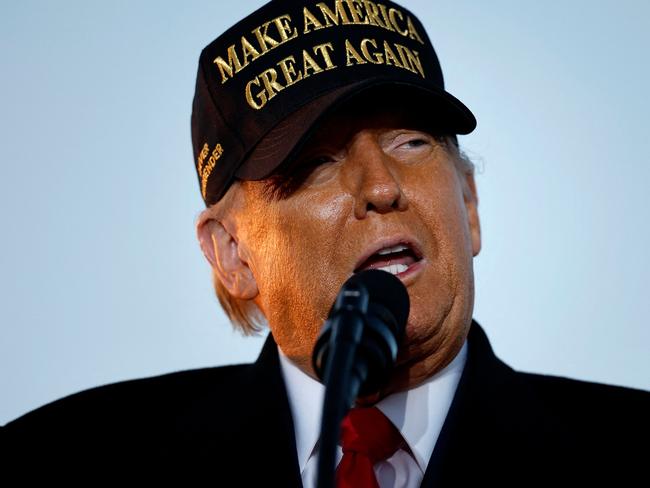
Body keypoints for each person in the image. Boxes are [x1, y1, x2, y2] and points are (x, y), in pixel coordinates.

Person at [2, 0, 649, 485]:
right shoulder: (66, 460)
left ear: (470, 207)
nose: (381, 187)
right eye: (315, 164)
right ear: (232, 253)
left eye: (413, 143)